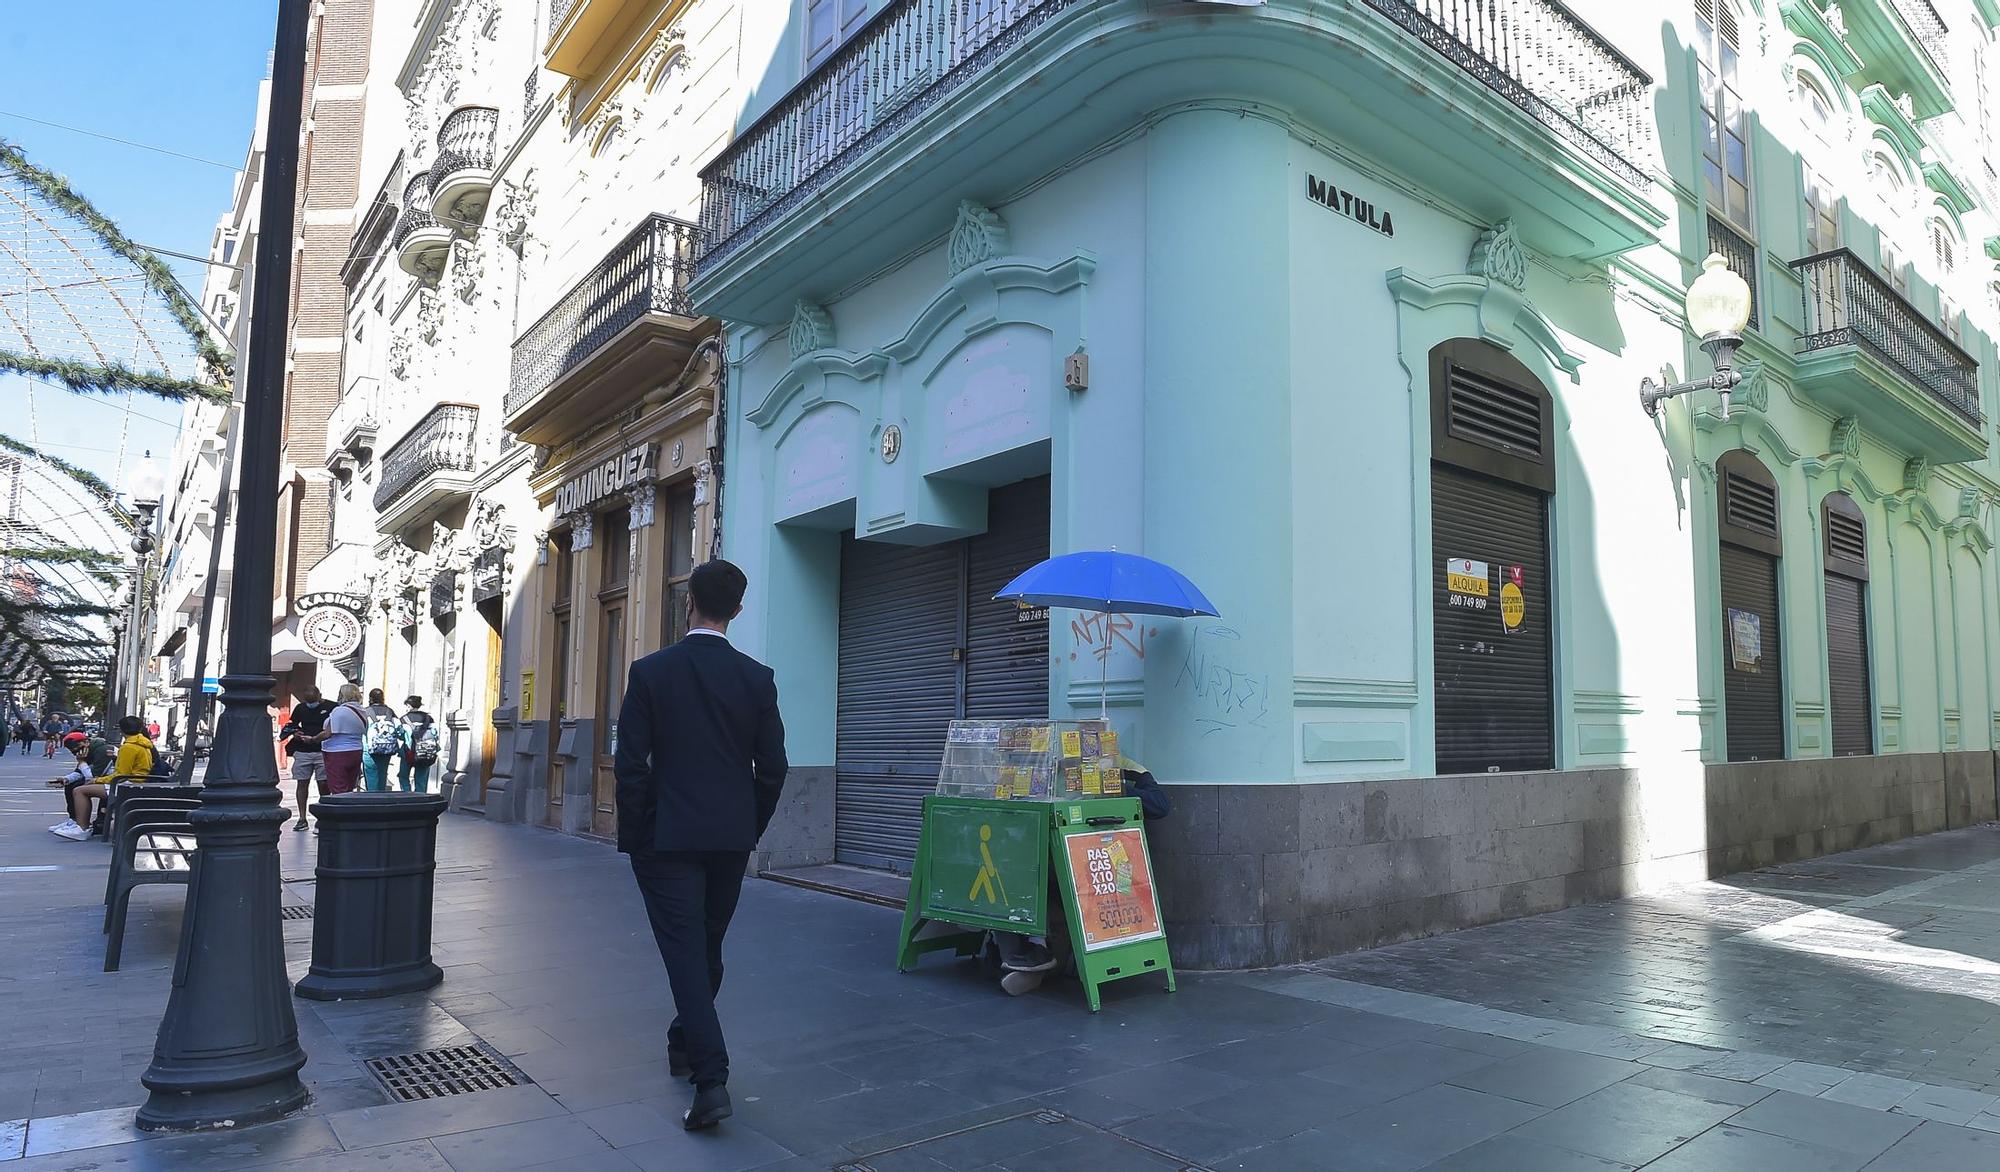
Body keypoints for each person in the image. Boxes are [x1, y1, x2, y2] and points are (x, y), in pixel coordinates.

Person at [615, 560, 787, 1132]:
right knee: (706, 944)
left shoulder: (650, 672)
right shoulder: (756, 678)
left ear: (688, 601)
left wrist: (636, 833)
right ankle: (683, 1040)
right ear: (736, 612)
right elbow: (774, 769)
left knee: (687, 951)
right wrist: (749, 825)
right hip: (729, 838)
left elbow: (631, 765)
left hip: (667, 838)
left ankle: (711, 1079)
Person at [991, 756, 1172, 997]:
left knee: (1021, 878)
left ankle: (1035, 953)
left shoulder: (1122, 768)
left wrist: (1116, 787)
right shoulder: (1053, 769)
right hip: (1066, 863)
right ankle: (1029, 953)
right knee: (1011, 873)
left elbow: (1160, 805)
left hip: (1101, 871)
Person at [48, 717, 153, 841]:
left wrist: (97, 780)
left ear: (122, 731)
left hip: (128, 784)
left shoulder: (129, 747)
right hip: (135, 782)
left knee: (79, 790)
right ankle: (78, 822)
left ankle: (82, 828)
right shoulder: (142, 744)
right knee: (78, 786)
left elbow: (121, 774)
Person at [286, 686, 336, 831]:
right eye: (308, 702)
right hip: (303, 750)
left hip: (323, 750)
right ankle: (302, 818)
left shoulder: (331, 707)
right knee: (302, 784)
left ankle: (323, 817)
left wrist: (314, 738)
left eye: (313, 701)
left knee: (323, 785)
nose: (310, 705)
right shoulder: (301, 708)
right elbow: (292, 724)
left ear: (319, 695)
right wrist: (296, 733)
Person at [320, 684, 368, 795]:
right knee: (349, 787)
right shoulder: (362, 711)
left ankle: (340, 810)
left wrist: (313, 739)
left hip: (337, 752)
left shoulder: (339, 711)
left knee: (338, 788)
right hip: (356, 750)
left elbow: (328, 733)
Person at [397, 696, 439, 793]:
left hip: (408, 752)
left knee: (403, 776)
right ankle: (420, 797)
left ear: (409, 705)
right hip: (425, 752)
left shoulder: (404, 719)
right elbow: (435, 735)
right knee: (421, 778)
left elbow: (400, 735)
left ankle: (407, 796)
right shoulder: (429, 719)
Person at [361, 689, 401, 792]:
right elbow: (399, 729)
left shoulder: (365, 711)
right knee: (383, 773)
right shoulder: (390, 711)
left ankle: (372, 799)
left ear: (370, 699)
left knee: (371, 774)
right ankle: (381, 798)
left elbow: (360, 729)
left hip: (369, 749)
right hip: (387, 748)